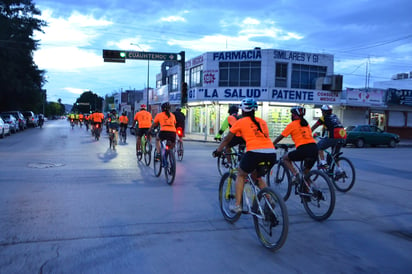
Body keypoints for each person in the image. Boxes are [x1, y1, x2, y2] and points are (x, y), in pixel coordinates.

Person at [213, 98, 276, 213]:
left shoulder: (240, 122)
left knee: (241, 175)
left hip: (255, 153)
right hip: (271, 153)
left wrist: (218, 151)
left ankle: (237, 205)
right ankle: (270, 199)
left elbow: (227, 139)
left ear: (243, 110)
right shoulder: (262, 122)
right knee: (257, 177)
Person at [272, 106, 318, 185]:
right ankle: (311, 193)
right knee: (306, 176)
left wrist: (272, 144)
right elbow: (305, 137)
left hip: (303, 149)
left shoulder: (292, 125)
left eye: (292, 114)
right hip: (314, 148)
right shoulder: (306, 124)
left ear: (294, 115)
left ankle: (295, 174)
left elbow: (281, 136)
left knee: (285, 158)